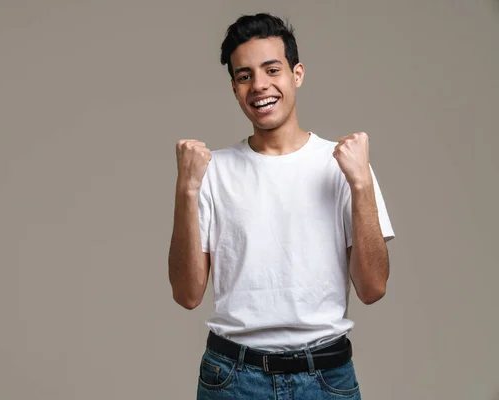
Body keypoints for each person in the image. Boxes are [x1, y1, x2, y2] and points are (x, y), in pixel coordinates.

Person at [168, 12, 395, 399]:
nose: (259, 85)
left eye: (272, 69)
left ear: (297, 74)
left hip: (326, 377)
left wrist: (360, 184)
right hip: (232, 379)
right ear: (235, 88)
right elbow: (188, 294)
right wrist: (186, 190)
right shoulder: (211, 171)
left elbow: (373, 288)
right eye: (244, 76)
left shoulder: (343, 164)